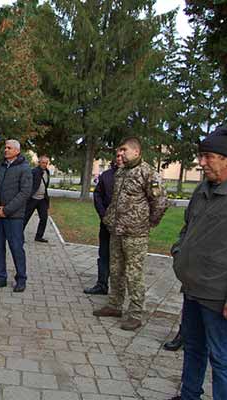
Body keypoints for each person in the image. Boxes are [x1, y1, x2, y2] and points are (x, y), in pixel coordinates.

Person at [167, 125, 227, 400]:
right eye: (201, 156)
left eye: (208, 156)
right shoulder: (202, 189)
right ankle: (189, 395)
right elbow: (187, 228)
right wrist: (177, 251)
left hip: (220, 297)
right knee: (194, 348)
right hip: (192, 287)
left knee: (222, 359)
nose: (201, 162)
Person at [93, 137, 167, 331]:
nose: (121, 154)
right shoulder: (121, 172)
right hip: (117, 230)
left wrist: (148, 223)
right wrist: (110, 220)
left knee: (134, 274)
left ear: (136, 152)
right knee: (115, 270)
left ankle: (135, 314)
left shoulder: (148, 173)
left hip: (135, 234)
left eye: (124, 150)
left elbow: (159, 203)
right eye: (119, 151)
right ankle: (115, 305)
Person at [0, 139, 33, 292]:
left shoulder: (25, 168)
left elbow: (25, 193)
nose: (5, 150)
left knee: (16, 247)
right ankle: (1, 277)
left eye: (9, 148)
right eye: (5, 147)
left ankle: (21, 278)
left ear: (17, 151)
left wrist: (6, 210)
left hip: (14, 217)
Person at [84, 153, 123, 295]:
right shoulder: (106, 175)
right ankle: (102, 284)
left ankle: (119, 291)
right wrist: (104, 215)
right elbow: (98, 195)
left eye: (122, 155)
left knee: (122, 258)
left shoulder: (132, 175)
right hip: (106, 223)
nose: (119, 158)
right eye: (117, 155)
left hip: (125, 226)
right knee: (104, 255)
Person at [24, 154, 51, 242]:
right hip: (32, 198)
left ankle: (39, 236)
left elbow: (45, 185)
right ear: (39, 163)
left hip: (42, 199)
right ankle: (18, 235)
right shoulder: (34, 171)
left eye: (46, 163)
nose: (44, 164)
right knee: (25, 217)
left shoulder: (47, 172)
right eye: (43, 163)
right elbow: (28, 183)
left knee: (44, 218)